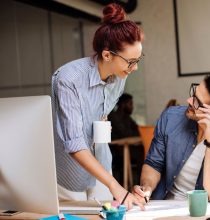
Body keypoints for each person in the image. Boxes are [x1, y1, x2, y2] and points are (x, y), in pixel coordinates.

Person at [51, 3, 144, 210]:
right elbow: (74, 143)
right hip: (70, 172)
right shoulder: (69, 79)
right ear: (107, 55)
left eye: (138, 60)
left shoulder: (120, 76)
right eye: (130, 61)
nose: (135, 67)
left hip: (102, 164)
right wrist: (115, 185)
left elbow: (102, 114)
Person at [132, 74, 210, 203]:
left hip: (203, 212)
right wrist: (146, 188)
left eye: (197, 102)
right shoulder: (170, 117)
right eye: (194, 93)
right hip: (163, 206)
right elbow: (154, 164)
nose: (189, 101)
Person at [109, 93, 144, 186]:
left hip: (127, 148)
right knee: (142, 154)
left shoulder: (127, 118)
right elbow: (125, 134)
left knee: (144, 152)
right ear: (123, 104)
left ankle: (140, 184)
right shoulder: (114, 117)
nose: (132, 107)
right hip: (116, 150)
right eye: (130, 104)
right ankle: (140, 185)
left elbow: (139, 131)